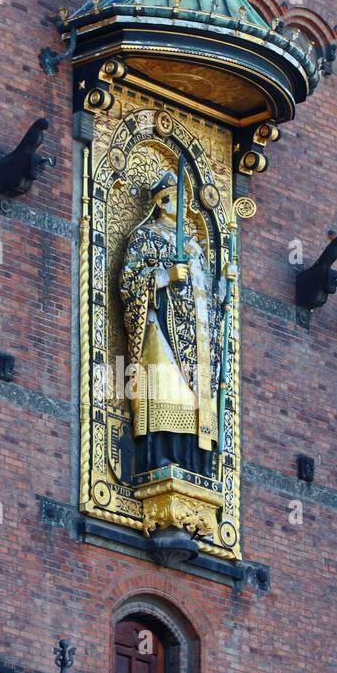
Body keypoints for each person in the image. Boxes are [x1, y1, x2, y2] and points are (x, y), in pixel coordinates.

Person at [120, 169, 232, 476]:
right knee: (167, 391)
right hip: (161, 330)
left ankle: (194, 464)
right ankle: (160, 458)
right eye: (173, 199)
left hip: (195, 339)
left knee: (196, 401)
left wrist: (223, 286)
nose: (181, 206)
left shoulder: (194, 248)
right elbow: (128, 282)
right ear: (161, 202)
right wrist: (163, 277)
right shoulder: (145, 236)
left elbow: (207, 295)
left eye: (183, 200)